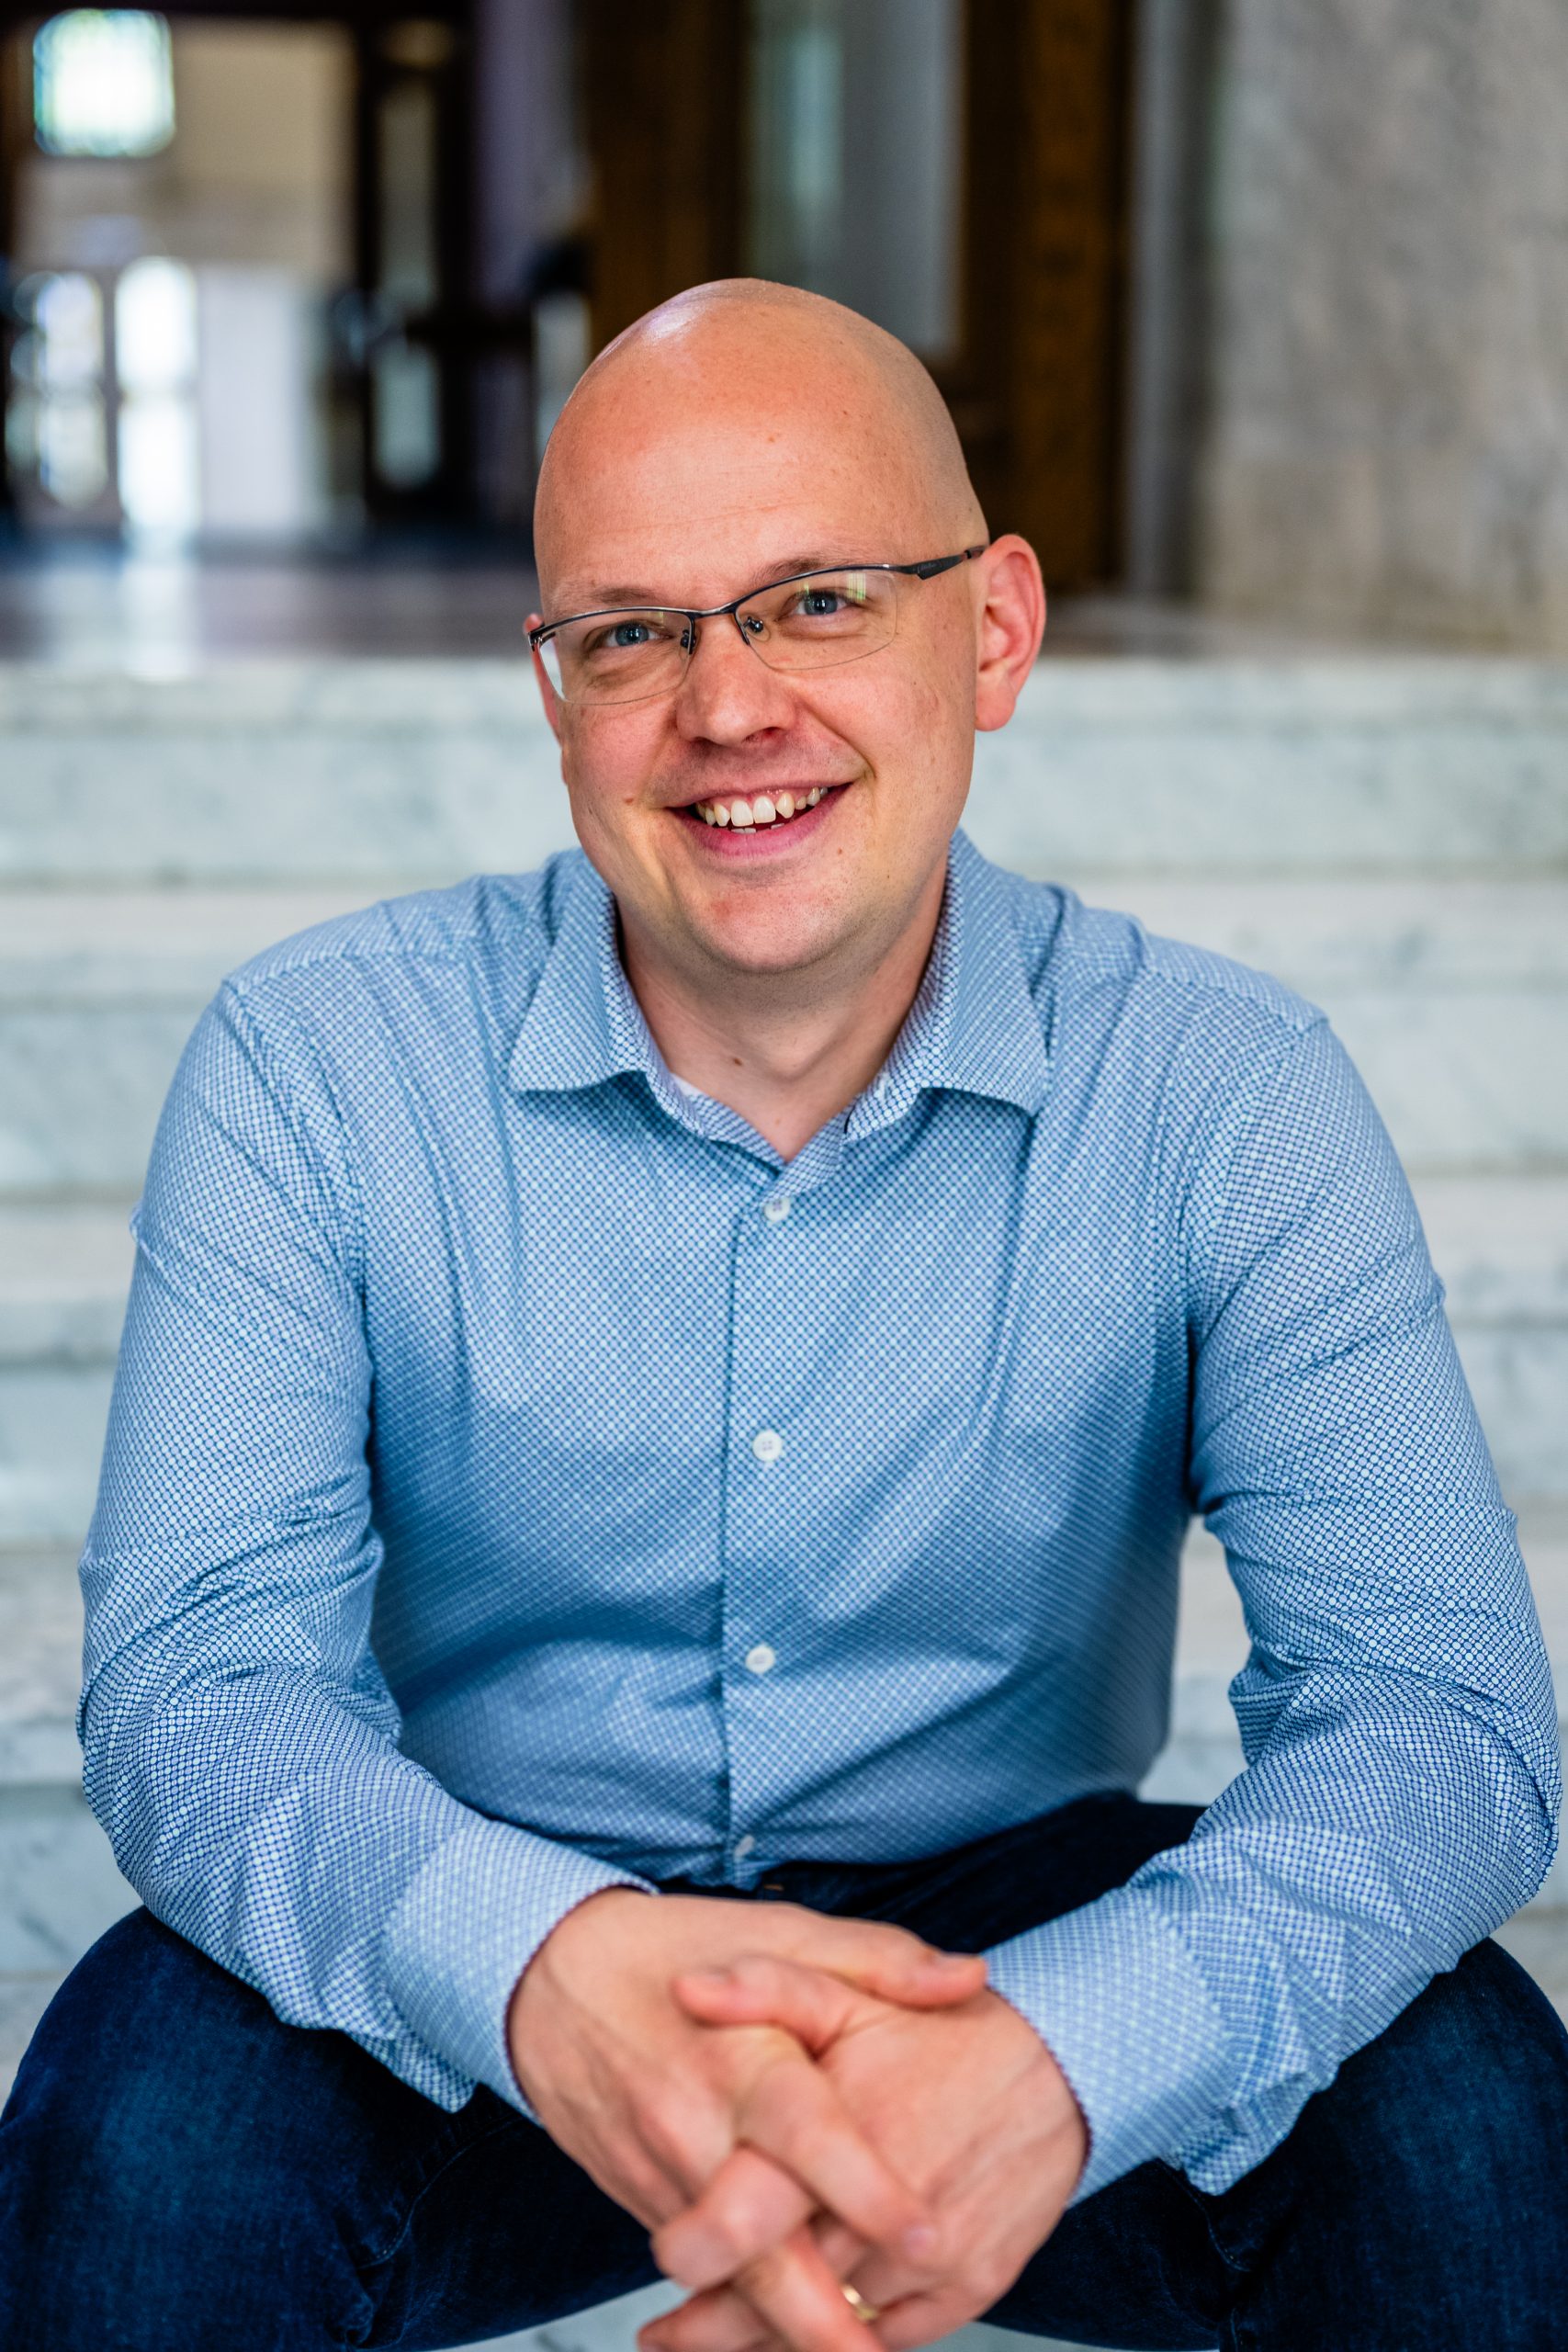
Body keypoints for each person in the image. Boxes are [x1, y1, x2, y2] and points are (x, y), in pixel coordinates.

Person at [1, 280, 1562, 2352]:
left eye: (817, 601)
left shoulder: (1225, 1094)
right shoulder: (318, 1066)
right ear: (553, 691)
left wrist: (1055, 2057)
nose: (725, 708)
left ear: (992, 630)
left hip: (1007, 1942)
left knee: (1465, 2111)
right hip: (495, 1951)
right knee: (144, 2126)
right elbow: (198, 1687)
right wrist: (543, 1965)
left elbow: (1440, 1715)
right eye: (629, 633)